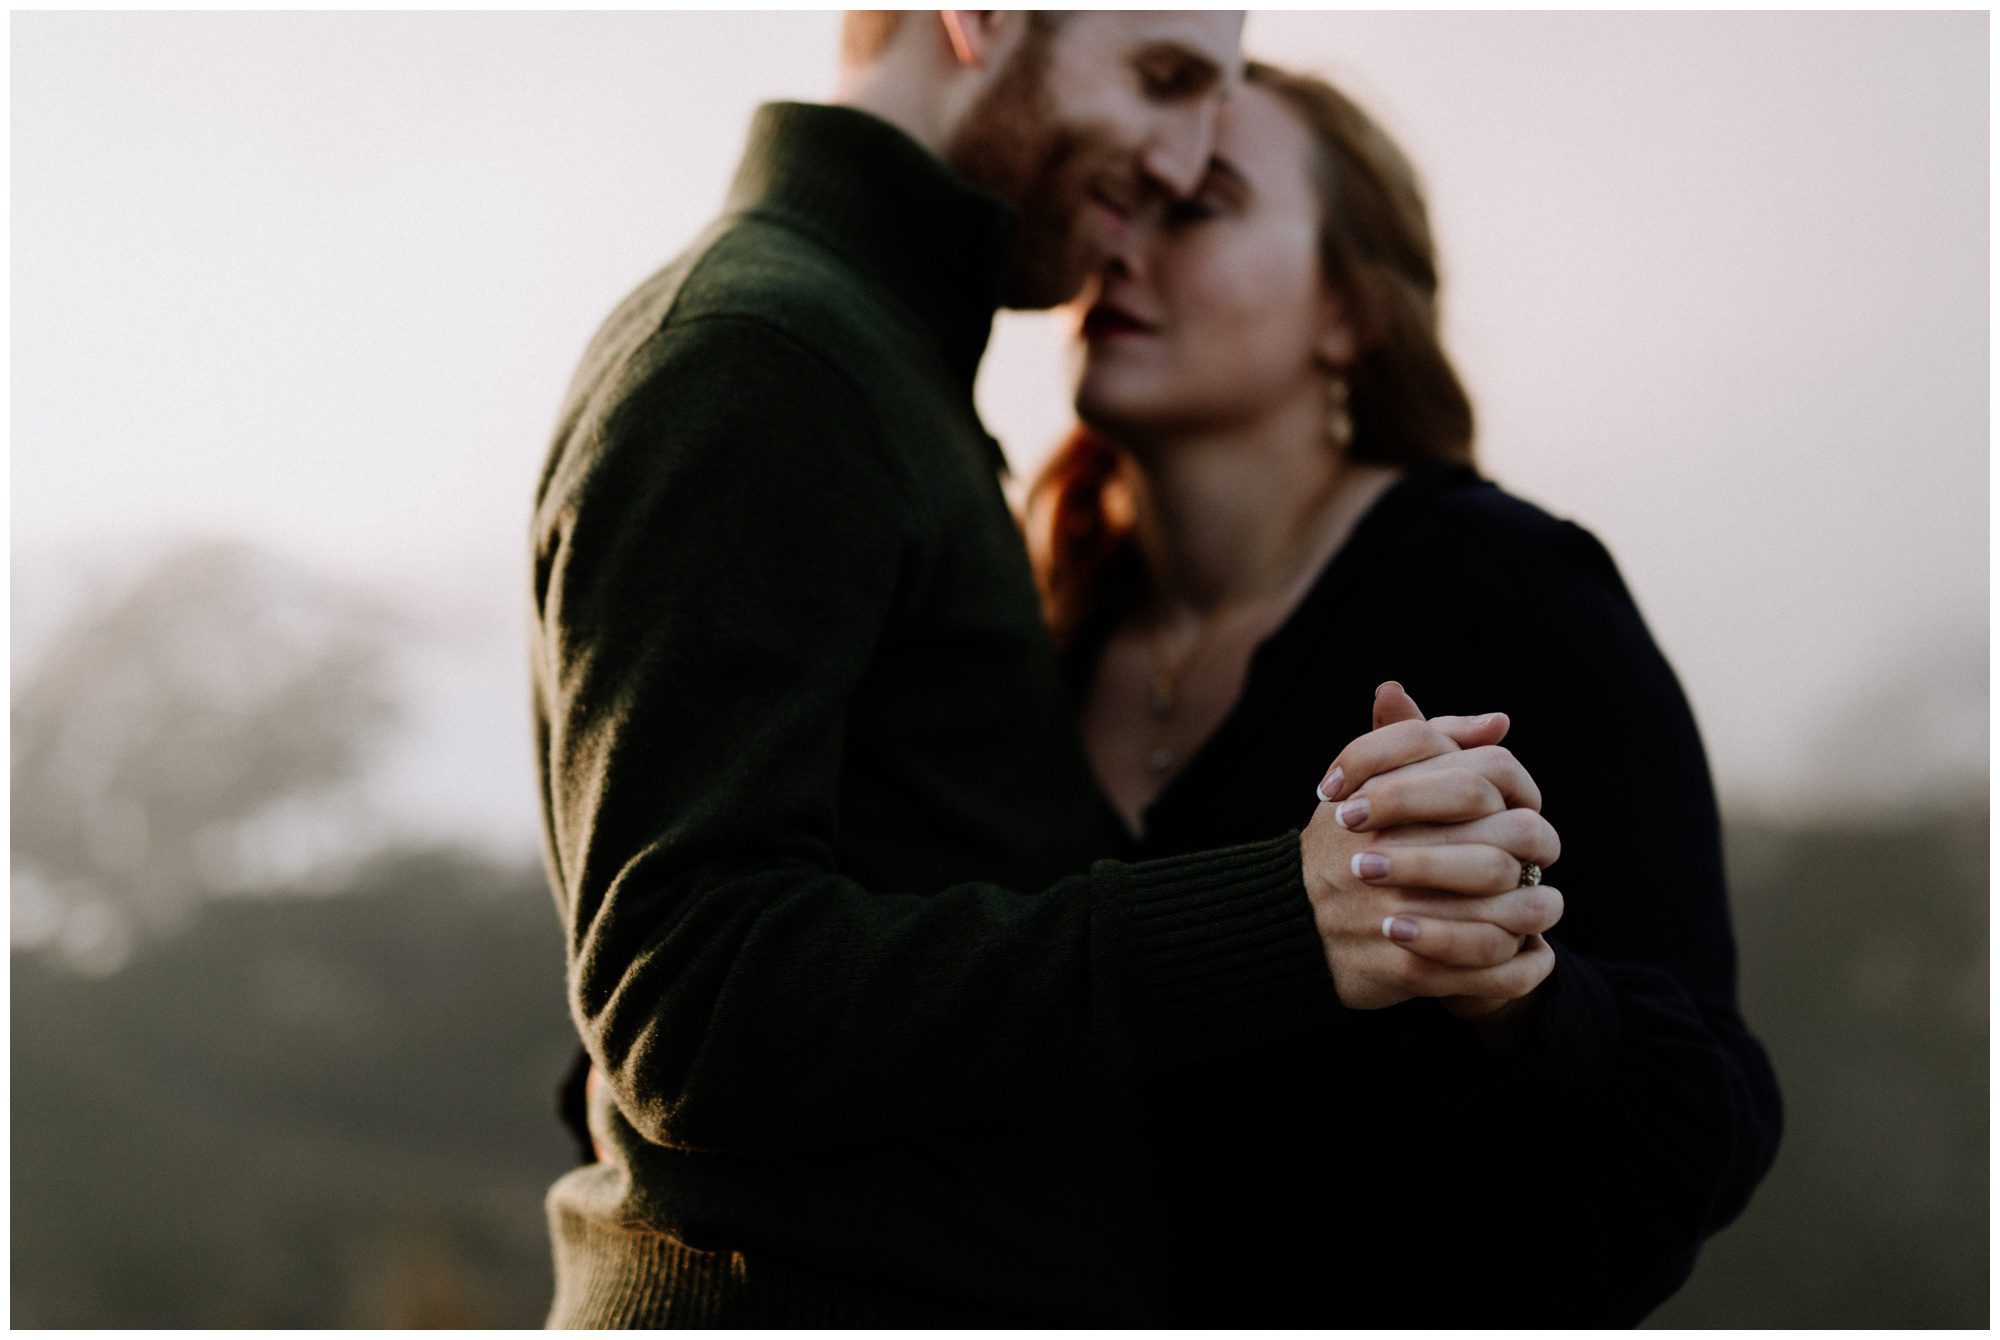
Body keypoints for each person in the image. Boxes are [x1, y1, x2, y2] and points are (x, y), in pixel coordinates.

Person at [530, 12, 1565, 1328]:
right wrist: (1283, 919)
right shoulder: (765, 357)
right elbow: (691, 1005)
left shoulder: (873, 360)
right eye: (1163, 77)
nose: (1185, 160)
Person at [1027, 60, 1784, 1326]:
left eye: (1196, 204)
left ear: (1349, 310)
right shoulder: (1037, 639)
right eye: (1110, 197)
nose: (1118, 243)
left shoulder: (1507, 583)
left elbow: (1707, 1116)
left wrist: (1514, 987)